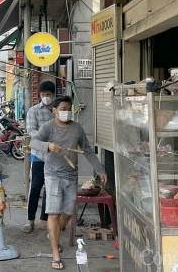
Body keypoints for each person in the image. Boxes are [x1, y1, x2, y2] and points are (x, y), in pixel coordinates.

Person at [31, 96, 108, 270]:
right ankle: (56, 254)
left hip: (71, 175)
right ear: (55, 110)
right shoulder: (48, 127)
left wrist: (100, 169)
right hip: (52, 174)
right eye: (63, 109)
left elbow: (87, 150)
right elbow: (34, 142)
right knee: (54, 213)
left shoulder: (77, 128)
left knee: (66, 214)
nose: (66, 112)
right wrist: (48, 146)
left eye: (68, 108)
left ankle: (55, 233)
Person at [23, 81, 56, 234]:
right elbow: (31, 130)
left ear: (53, 95)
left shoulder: (58, 110)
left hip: (55, 157)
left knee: (50, 189)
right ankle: (30, 221)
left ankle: (44, 220)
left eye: (48, 95)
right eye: (43, 95)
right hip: (38, 155)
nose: (45, 98)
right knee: (35, 188)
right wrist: (47, 141)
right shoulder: (33, 111)